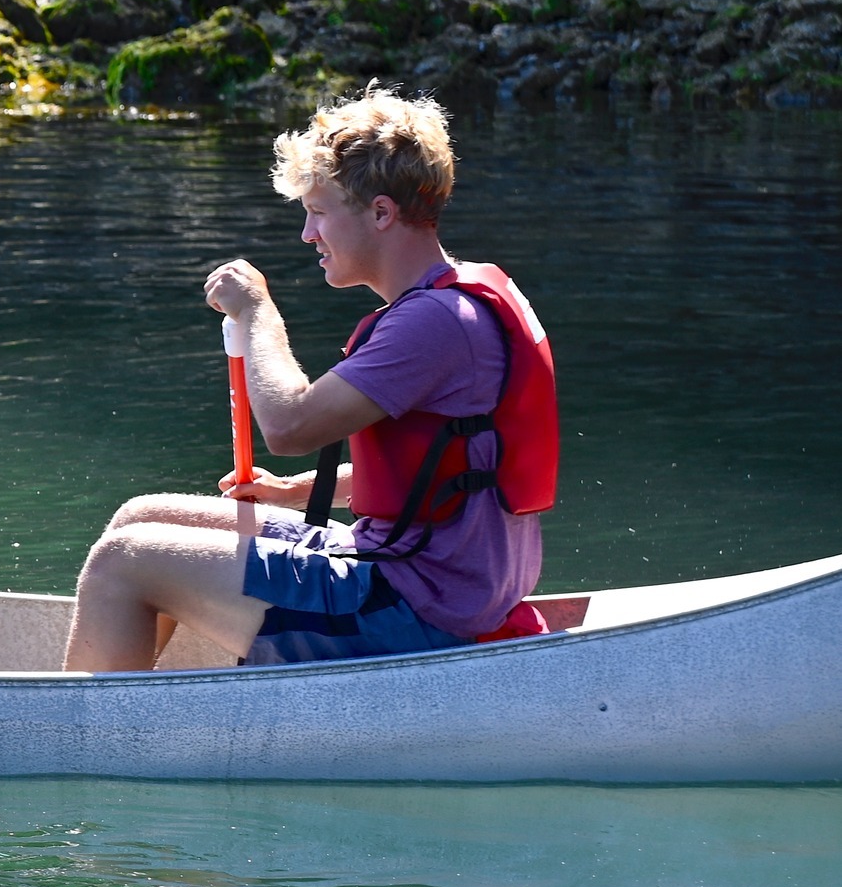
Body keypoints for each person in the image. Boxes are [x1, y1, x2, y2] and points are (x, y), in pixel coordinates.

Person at [64, 86, 558, 671]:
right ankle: (149, 695)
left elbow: (290, 424)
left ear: (381, 212)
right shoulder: (450, 305)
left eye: (318, 212)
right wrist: (296, 492)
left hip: (416, 607)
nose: (307, 234)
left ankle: (86, 745)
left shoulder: (433, 322)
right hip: (429, 577)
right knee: (139, 517)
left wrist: (255, 312)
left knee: (125, 559)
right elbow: (457, 468)